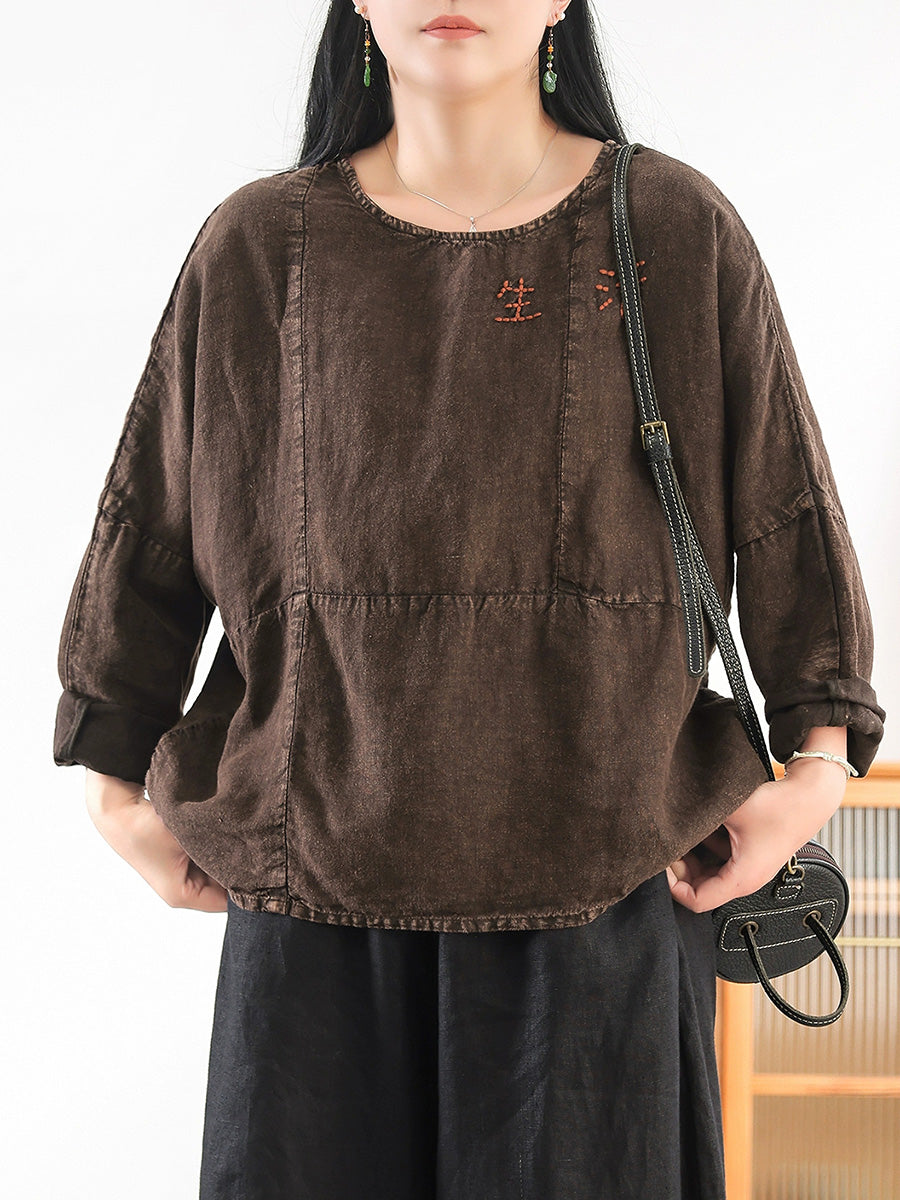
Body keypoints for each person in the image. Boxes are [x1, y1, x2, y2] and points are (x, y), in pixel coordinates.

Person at [52, 3, 886, 1197]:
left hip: (603, 898)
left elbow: (786, 507)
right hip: (312, 905)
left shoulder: (672, 227)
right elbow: (150, 524)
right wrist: (111, 787)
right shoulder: (259, 245)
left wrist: (818, 771)